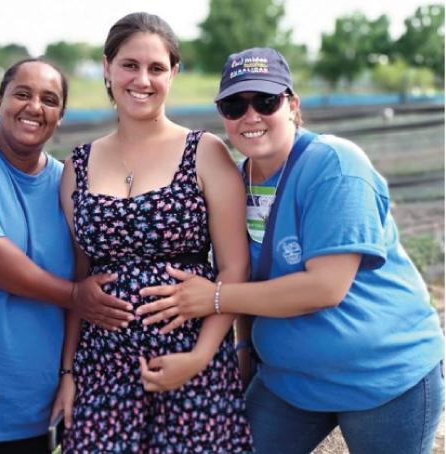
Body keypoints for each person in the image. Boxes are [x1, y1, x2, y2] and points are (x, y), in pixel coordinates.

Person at [138, 47, 445, 454]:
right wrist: (244, 347)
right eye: (234, 105)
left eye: (266, 101)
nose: (250, 116)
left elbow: (324, 288)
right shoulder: (236, 180)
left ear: (292, 104)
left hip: (382, 377)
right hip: (290, 381)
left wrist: (212, 298)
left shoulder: (334, 166)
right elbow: (248, 271)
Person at [53, 13, 253, 452]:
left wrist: (200, 357)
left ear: (174, 74)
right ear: (107, 67)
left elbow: (235, 266)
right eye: (129, 65)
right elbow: (79, 281)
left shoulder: (205, 152)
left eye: (157, 68)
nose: (142, 79)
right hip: (102, 365)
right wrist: (68, 373)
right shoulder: (77, 165)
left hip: (189, 359)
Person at [0, 58, 133, 453]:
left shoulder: (66, 182)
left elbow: (85, 275)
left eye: (49, 100)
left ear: (60, 117)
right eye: (22, 94)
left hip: (36, 407)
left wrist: (69, 372)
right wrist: (74, 294)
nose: (34, 107)